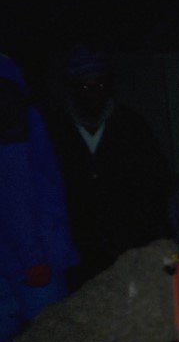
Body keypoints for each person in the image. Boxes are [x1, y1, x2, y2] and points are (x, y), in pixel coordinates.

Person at [44, 44, 171, 290]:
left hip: (126, 251)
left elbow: (157, 186)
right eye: (85, 85)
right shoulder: (53, 131)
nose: (93, 92)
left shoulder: (131, 125)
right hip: (74, 255)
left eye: (99, 84)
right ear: (71, 88)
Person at [0, 54, 77, 342]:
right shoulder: (6, 92)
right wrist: (32, 257)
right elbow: (12, 183)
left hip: (8, 255)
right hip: (26, 259)